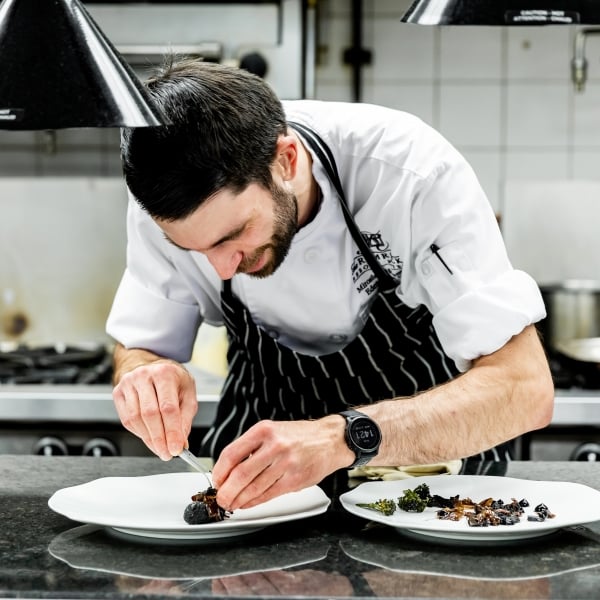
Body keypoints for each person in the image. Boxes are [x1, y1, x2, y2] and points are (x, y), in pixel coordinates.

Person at [106, 58, 554, 512]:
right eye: (195, 250)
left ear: (286, 160)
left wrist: (341, 437)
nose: (222, 269)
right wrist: (144, 373)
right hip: (258, 492)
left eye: (233, 235)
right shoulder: (160, 197)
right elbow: (140, 349)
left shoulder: (408, 172)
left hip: (431, 480)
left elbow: (524, 389)